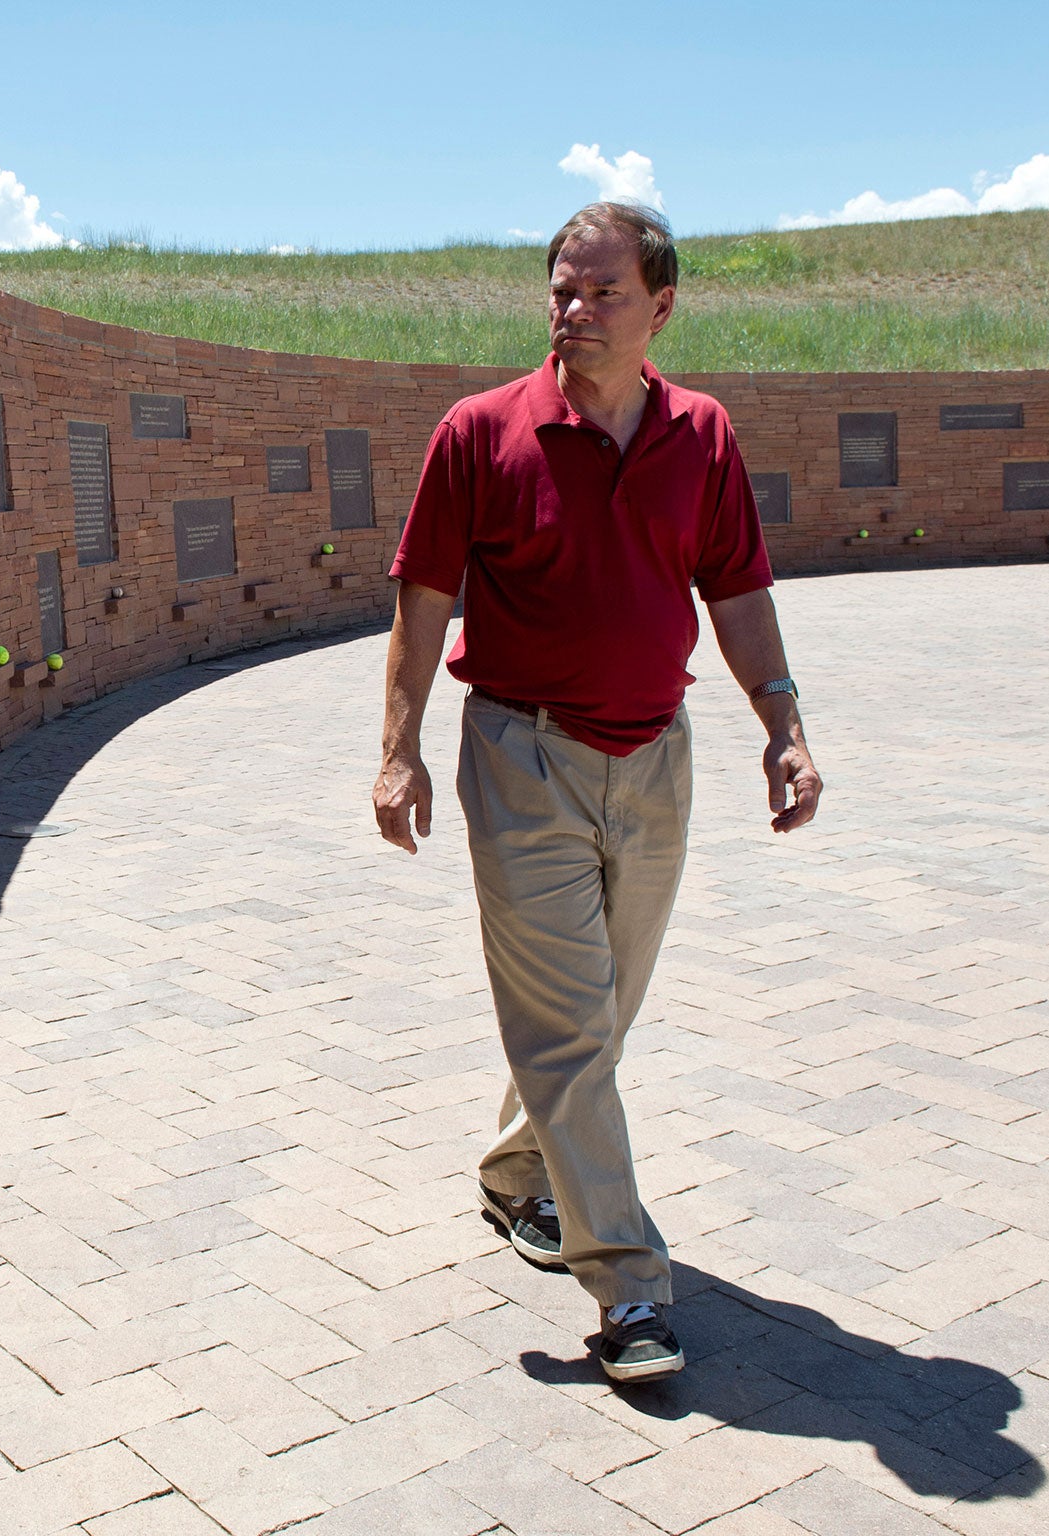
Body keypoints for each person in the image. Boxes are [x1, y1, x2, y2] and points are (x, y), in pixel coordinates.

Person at [371, 202, 823, 1383]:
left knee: (601, 1012)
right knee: (571, 1027)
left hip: (655, 757)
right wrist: (397, 746)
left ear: (659, 308)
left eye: (599, 293)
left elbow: (735, 594)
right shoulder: (479, 433)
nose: (571, 311)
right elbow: (422, 597)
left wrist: (782, 727)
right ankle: (628, 1288)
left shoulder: (702, 436)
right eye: (560, 290)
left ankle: (520, 1171)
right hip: (522, 760)